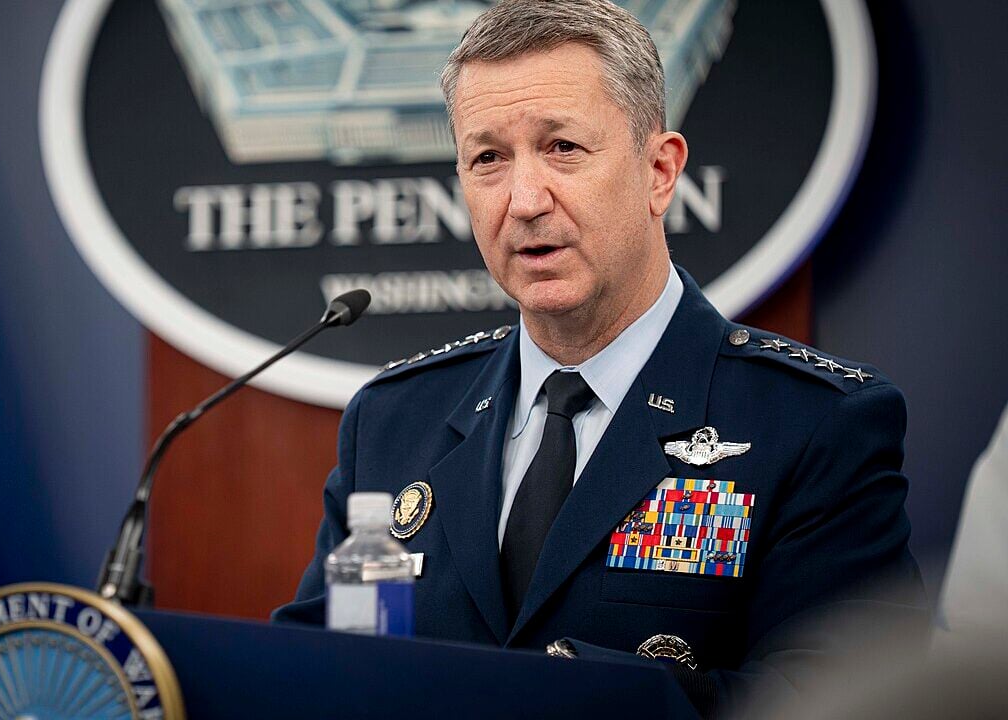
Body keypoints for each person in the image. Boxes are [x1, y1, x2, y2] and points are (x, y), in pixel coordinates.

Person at [275, 0, 926, 715]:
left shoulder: (812, 424)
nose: (523, 200)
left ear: (659, 170)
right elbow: (312, 674)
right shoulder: (394, 421)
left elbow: (852, 703)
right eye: (488, 158)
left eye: (562, 148)